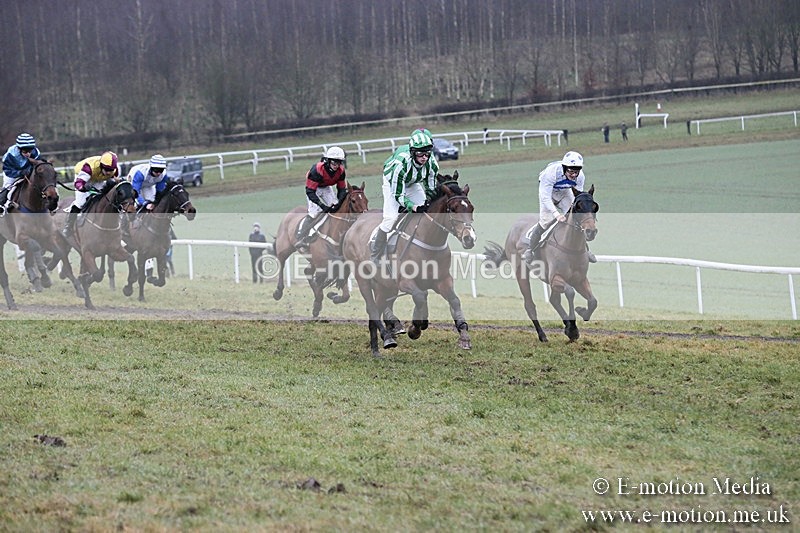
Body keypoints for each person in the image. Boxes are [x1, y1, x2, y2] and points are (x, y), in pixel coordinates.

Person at [370, 128, 439, 264]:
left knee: (426, 212)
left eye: (427, 153)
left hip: (411, 182)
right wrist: (412, 207)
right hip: (392, 183)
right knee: (391, 218)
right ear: (413, 153)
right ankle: (375, 254)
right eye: (420, 154)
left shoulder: (432, 164)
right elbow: (398, 195)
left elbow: (430, 187)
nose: (424, 157)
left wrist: (429, 201)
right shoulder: (400, 165)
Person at [524, 151, 596, 264]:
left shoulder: (580, 176)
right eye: (571, 171)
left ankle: (585, 249)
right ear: (564, 167)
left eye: (576, 172)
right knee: (545, 221)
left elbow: (578, 196)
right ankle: (530, 249)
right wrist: (556, 215)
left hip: (565, 192)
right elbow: (546, 197)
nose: (573, 175)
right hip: (548, 194)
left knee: (575, 218)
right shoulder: (550, 173)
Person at [294, 146, 348, 250]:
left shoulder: (341, 171)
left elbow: (341, 189)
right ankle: (302, 236)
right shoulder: (317, 170)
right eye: (334, 162)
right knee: (315, 213)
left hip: (326, 187)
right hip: (314, 190)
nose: (336, 165)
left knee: (337, 209)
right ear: (328, 161)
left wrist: (339, 202)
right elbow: (310, 192)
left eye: (339, 162)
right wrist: (323, 206)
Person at [62, 151, 120, 239]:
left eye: (111, 170)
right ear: (101, 166)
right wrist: (83, 187)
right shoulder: (89, 167)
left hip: (98, 178)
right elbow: (78, 183)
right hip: (84, 176)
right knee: (80, 203)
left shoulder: (115, 169)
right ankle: (68, 226)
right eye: (107, 170)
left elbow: (115, 181)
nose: (109, 172)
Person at [0, 133, 41, 214]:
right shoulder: (11, 155)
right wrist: (19, 173)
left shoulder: (36, 153)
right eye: (25, 151)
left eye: (30, 151)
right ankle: (2, 204)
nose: (28, 154)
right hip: (12, 172)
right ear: (19, 149)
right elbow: (8, 170)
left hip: (28, 171)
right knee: (8, 186)